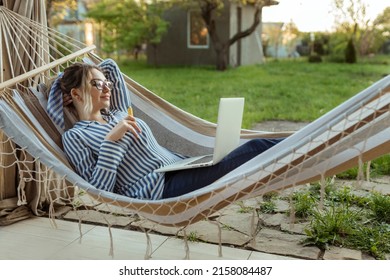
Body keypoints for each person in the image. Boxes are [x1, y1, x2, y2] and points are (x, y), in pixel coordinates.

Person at [47, 59, 284, 200]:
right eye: (97, 84)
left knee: (245, 148)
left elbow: (111, 66)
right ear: (76, 94)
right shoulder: (75, 136)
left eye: (107, 83)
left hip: (177, 167)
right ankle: (310, 142)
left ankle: (308, 142)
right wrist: (111, 141)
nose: (107, 87)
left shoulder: (119, 112)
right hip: (157, 189)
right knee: (255, 147)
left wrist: (85, 74)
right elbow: (100, 190)